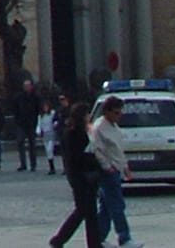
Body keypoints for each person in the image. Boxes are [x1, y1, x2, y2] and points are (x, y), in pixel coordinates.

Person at [47, 101, 103, 248]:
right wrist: (92, 159)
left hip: (85, 176)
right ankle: (59, 239)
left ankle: (94, 243)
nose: (89, 117)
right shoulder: (72, 133)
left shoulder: (83, 131)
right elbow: (75, 156)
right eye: (87, 114)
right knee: (82, 211)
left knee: (90, 212)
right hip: (80, 176)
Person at [90, 95, 137, 248]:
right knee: (117, 205)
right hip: (108, 171)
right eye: (116, 113)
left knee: (106, 207)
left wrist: (125, 167)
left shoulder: (114, 126)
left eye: (120, 112)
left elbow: (118, 149)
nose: (119, 115)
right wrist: (107, 166)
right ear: (107, 112)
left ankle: (98, 238)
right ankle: (124, 238)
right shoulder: (99, 127)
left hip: (116, 168)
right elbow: (97, 150)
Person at [12, 79, 42, 171]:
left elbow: (38, 109)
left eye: (28, 86)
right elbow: (15, 109)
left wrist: (36, 121)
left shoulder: (36, 97)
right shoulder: (19, 97)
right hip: (21, 123)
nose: (26, 88)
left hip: (31, 123)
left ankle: (33, 164)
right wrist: (17, 120)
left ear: (31, 87)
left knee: (32, 144)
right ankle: (23, 164)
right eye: (25, 86)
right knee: (20, 142)